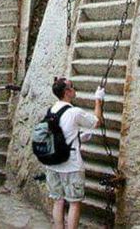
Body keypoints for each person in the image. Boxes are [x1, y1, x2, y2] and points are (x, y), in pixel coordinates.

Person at [45, 77, 105, 229]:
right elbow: (97, 121)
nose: (74, 89)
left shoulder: (51, 110)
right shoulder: (74, 112)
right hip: (71, 165)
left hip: (52, 164)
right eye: (72, 87)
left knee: (58, 201)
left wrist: (78, 137)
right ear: (67, 92)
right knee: (74, 203)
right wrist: (98, 100)